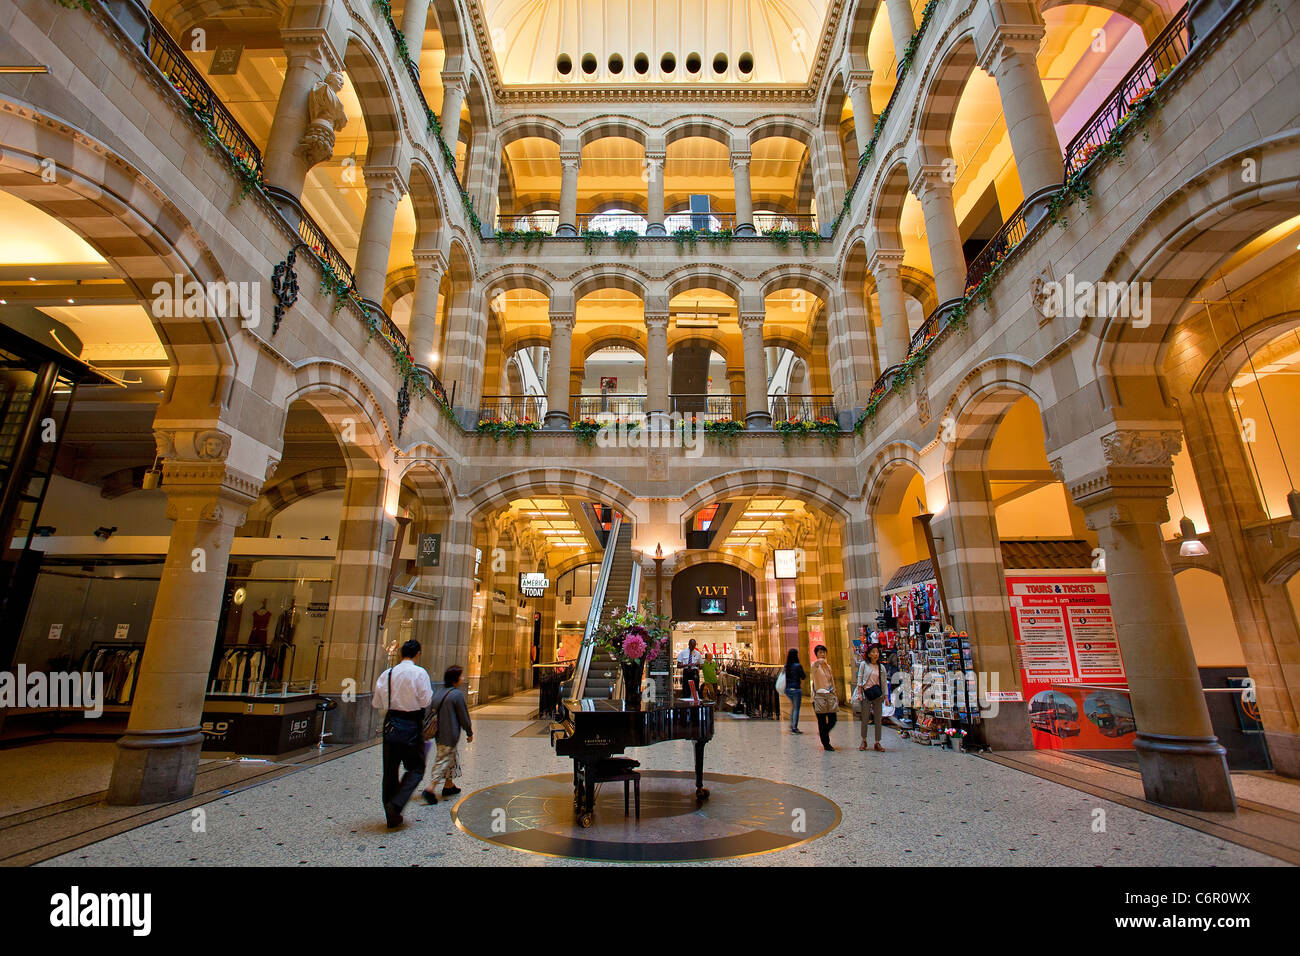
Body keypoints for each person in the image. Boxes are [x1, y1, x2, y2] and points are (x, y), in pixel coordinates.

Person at [371, 639, 433, 828]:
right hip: (412, 724)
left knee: (389, 771)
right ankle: (396, 804)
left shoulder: (387, 674)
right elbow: (425, 700)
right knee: (416, 767)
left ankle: (391, 815)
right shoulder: (420, 673)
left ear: (400, 654)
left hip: (391, 725)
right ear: (418, 654)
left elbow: (377, 703)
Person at [421, 664, 473, 805]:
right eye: (461, 676)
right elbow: (463, 716)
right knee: (443, 759)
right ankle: (430, 788)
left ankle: (449, 785)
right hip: (449, 733)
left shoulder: (438, 692)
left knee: (450, 757)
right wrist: (469, 732)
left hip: (438, 733)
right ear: (455, 679)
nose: (463, 678)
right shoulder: (456, 695)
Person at [857, 644, 887, 752]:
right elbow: (860, 678)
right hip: (866, 694)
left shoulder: (881, 667)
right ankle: (863, 740)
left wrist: (886, 697)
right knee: (865, 718)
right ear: (869, 654)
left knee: (878, 718)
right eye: (873, 652)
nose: (876, 654)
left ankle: (877, 742)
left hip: (877, 694)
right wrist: (860, 693)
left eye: (877, 652)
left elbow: (883, 682)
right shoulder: (864, 665)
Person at [810, 644, 838, 751]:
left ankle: (823, 732)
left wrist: (835, 694)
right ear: (816, 654)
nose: (822, 654)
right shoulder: (815, 665)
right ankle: (826, 743)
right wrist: (819, 661)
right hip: (819, 698)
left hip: (829, 696)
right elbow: (814, 665)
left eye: (824, 652)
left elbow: (831, 681)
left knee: (833, 719)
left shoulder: (828, 667)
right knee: (821, 721)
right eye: (820, 652)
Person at [783, 648, 805, 734]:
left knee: (794, 706)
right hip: (796, 689)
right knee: (796, 708)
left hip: (788, 689)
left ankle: (792, 725)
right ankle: (794, 728)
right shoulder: (798, 666)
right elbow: (803, 676)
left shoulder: (786, 666)